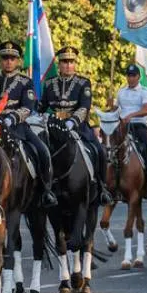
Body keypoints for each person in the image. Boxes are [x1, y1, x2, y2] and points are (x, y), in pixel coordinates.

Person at [39, 46, 110, 202]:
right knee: (39, 150)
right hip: (54, 126)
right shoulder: (50, 83)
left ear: (75, 63)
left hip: (78, 126)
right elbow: (42, 106)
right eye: (65, 62)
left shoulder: (83, 83)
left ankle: (102, 187)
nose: (68, 65)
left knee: (100, 150)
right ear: (59, 64)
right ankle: (41, 188)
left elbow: (84, 107)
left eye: (71, 62)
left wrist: (72, 121)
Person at [0, 40, 57, 207]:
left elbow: (28, 107)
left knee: (42, 151)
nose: (8, 61)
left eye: (12, 58)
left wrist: (11, 118)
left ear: (17, 61)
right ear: (0, 60)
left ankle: (45, 190)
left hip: (17, 127)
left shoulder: (25, 82)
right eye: (5, 57)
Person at [116, 64, 147, 195]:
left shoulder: (144, 91)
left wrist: (131, 115)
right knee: (109, 145)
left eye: (133, 76)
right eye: (129, 76)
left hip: (138, 125)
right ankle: (108, 182)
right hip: (122, 126)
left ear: (138, 77)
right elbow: (116, 109)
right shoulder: (121, 92)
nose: (130, 78)